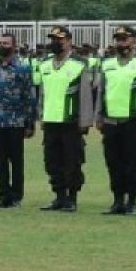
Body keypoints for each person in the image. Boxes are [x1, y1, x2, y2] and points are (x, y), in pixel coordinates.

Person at [94, 25, 136, 216]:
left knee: (132, 162)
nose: (121, 42)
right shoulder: (107, 64)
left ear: (134, 41)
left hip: (133, 121)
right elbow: (101, 92)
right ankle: (117, 200)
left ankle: (132, 200)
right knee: (113, 162)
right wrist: (98, 116)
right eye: (118, 39)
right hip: (111, 121)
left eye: (125, 39)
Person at [38, 26, 94, 212]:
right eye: (53, 39)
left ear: (69, 41)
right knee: (52, 161)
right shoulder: (45, 64)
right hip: (51, 121)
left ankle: (72, 198)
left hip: (71, 121)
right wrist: (41, 117)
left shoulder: (79, 64)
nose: (55, 43)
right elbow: (43, 94)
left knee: (72, 161)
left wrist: (85, 121)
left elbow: (86, 94)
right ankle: (59, 196)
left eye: (59, 39)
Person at [0, 33, 36, 208]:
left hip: (15, 121)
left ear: (14, 46)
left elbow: (29, 96)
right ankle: (4, 195)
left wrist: (30, 122)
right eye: (0, 43)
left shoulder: (23, 68)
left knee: (16, 161)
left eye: (6, 43)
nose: (2, 46)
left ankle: (16, 196)